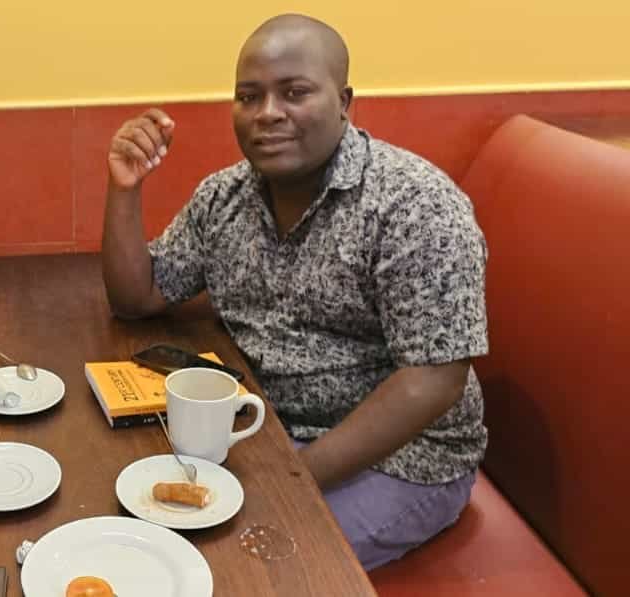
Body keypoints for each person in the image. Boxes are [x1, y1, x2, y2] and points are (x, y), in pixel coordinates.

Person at [102, 14, 487, 569]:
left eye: (295, 92)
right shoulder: (223, 197)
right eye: (248, 96)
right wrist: (124, 187)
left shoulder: (415, 206)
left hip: (403, 461)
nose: (267, 113)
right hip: (265, 431)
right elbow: (137, 298)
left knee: (241, 566)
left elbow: (433, 380)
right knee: (127, 521)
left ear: (344, 101)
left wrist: (286, 483)